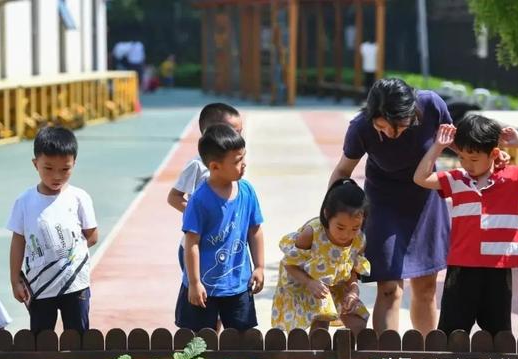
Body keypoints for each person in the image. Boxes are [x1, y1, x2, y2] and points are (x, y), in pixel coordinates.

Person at [328, 78, 452, 336]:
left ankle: (429, 355)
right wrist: (330, 214)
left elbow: (457, 141)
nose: (393, 133)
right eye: (383, 127)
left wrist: (491, 158)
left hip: (426, 200)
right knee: (389, 287)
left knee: (426, 286)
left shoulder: (431, 105)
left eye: (402, 126)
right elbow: (343, 170)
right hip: (383, 203)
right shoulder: (361, 127)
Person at [414, 114, 518, 335]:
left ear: (494, 154)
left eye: (473, 158)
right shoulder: (456, 178)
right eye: (461, 157)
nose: (467, 164)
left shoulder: (513, 177)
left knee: (498, 334)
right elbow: (420, 178)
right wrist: (438, 147)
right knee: (452, 332)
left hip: (498, 268)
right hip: (462, 266)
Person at [7, 126, 98, 334]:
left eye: (65, 169)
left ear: (74, 164)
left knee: (78, 335)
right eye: (48, 168)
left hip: (76, 284)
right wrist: (15, 279)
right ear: (35, 164)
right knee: (41, 336)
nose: (56, 176)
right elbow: (18, 241)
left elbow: (92, 235)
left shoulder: (79, 198)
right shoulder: (24, 202)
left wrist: (66, 254)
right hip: (39, 285)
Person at [175, 124, 264, 331]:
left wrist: (259, 266)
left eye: (243, 157)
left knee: (242, 339)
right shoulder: (199, 200)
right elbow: (192, 243)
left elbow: (255, 229)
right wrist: (195, 282)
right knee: (197, 341)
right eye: (237, 161)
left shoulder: (247, 191)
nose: (244, 164)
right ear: (214, 167)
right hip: (203, 288)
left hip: (238, 284)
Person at [271, 179, 370, 336]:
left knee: (358, 321)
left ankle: (347, 356)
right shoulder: (312, 234)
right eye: (340, 227)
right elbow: (289, 264)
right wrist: (310, 282)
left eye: (355, 228)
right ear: (327, 214)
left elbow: (352, 268)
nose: (346, 234)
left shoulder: (359, 240)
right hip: (303, 283)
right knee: (321, 319)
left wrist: (353, 289)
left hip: (335, 284)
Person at [167, 103, 243, 271]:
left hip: (225, 245)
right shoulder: (197, 165)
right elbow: (174, 197)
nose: (239, 138)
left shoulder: (235, 165)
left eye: (240, 132)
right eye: (233, 132)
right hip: (199, 247)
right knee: (198, 293)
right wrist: (197, 214)